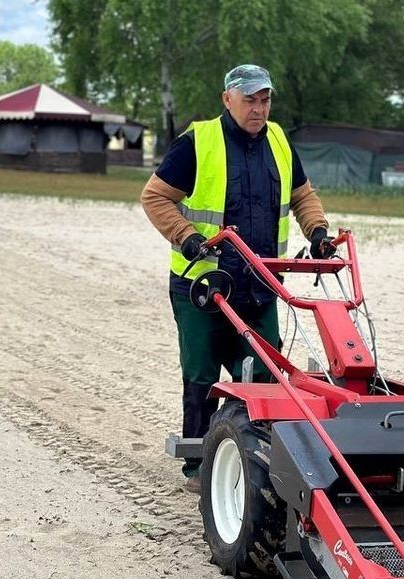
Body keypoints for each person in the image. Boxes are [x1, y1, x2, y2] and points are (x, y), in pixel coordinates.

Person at [141, 64, 335, 493]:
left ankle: (254, 459)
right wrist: (187, 236)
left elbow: (303, 196)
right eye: (250, 100)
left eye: (265, 100)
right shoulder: (198, 142)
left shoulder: (279, 141)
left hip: (260, 286)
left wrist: (318, 232)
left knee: (265, 374)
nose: (258, 108)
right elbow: (155, 197)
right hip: (203, 287)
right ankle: (198, 466)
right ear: (227, 99)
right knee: (202, 376)